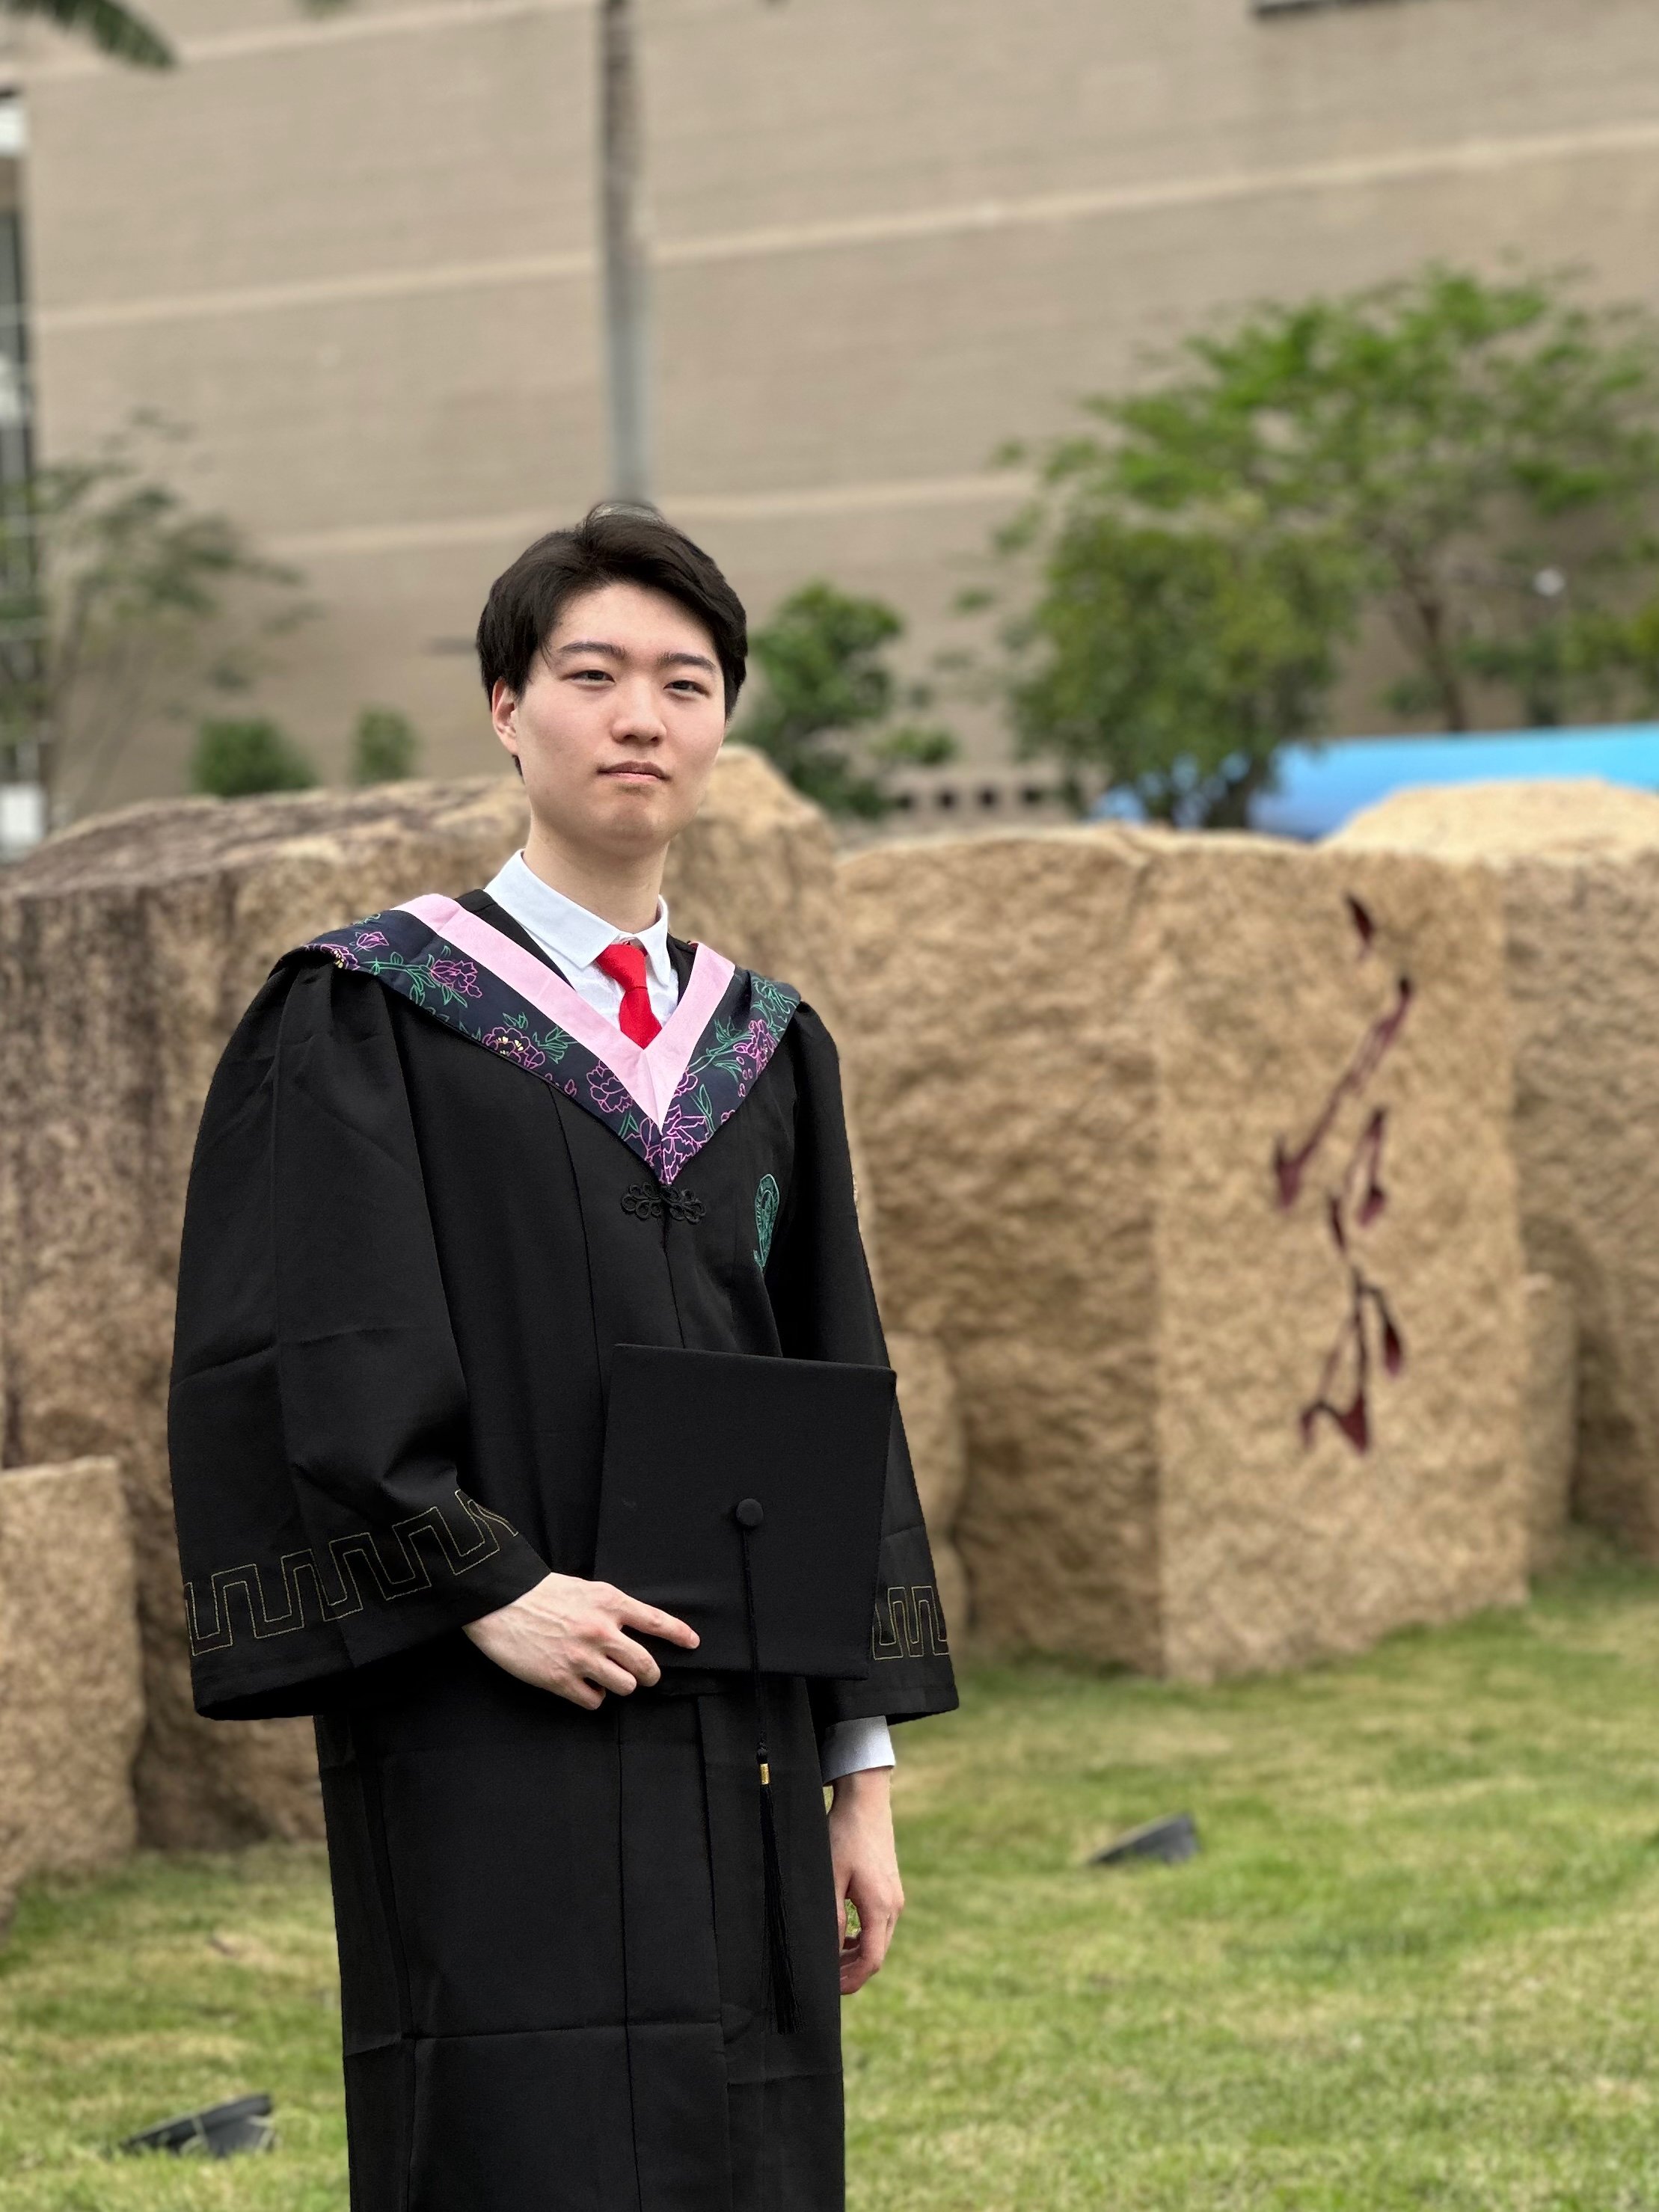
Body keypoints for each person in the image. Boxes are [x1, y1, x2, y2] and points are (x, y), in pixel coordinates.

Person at [167, 503, 958, 2212]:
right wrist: (487, 1588)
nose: (638, 717)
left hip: (736, 1721)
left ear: (722, 726)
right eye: (591, 674)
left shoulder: (763, 1043)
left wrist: (858, 1770)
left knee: (741, 2143)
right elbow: (318, 1346)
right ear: (506, 707)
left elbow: (832, 1394)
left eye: (683, 682)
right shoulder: (374, 1009)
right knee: (515, 2138)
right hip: (488, 1704)